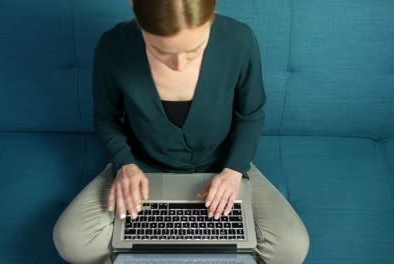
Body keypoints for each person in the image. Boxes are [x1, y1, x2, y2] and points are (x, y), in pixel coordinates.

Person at [53, 1, 310, 263]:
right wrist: (124, 165)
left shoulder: (240, 39)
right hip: (142, 164)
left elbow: (251, 115)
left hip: (222, 164)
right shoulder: (113, 45)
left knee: (290, 248)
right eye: (160, 51)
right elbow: (107, 117)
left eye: (194, 50)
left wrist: (233, 171)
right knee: (72, 241)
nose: (178, 65)